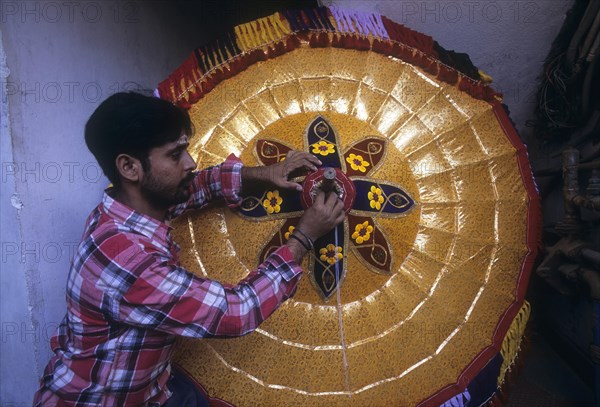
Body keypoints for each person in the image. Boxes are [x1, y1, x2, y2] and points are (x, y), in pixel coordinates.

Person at [33, 92, 345, 406]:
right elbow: (235, 312)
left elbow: (196, 186)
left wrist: (265, 173)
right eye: (175, 154)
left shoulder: (123, 208)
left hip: (151, 389)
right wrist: (304, 236)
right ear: (129, 167)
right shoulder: (126, 259)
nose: (191, 162)